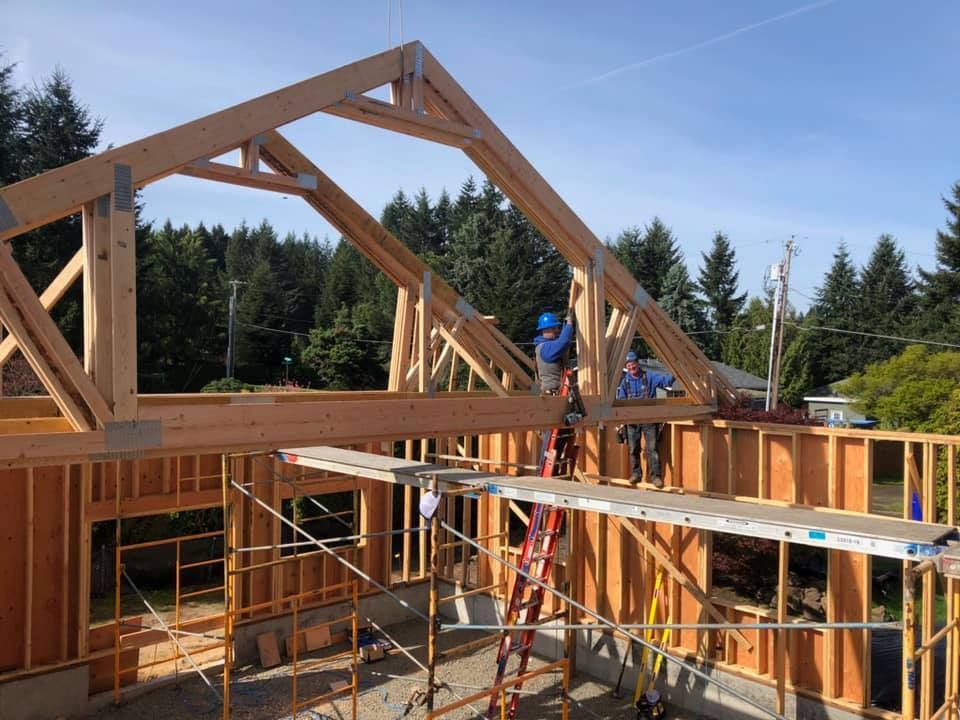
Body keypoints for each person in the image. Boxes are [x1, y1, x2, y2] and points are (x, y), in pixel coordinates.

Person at [616, 351, 674, 487]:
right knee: (633, 449)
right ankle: (636, 474)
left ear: (637, 363)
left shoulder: (649, 377)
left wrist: (676, 374)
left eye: (633, 364)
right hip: (632, 421)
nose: (631, 368)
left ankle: (656, 477)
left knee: (652, 449)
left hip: (649, 419)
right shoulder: (625, 382)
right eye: (629, 366)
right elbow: (621, 401)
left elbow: (665, 381)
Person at [532, 310, 575, 395]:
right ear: (548, 329)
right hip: (552, 395)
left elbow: (560, 342)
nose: (557, 331)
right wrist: (569, 324)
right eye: (555, 328)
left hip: (548, 393)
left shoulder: (541, 346)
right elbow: (563, 341)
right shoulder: (546, 347)